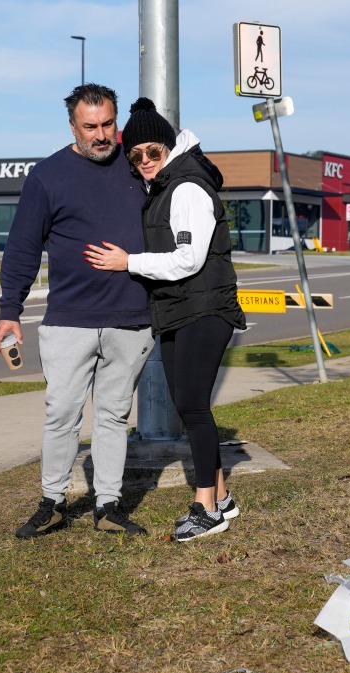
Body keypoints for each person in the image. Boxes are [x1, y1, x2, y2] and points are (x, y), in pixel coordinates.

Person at [0, 83, 153, 540]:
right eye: (90, 127)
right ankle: (54, 501)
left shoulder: (137, 164)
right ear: (72, 126)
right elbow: (22, 248)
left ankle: (108, 505)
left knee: (114, 414)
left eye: (108, 125)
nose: (101, 135)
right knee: (61, 412)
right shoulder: (47, 176)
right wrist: (10, 311)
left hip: (131, 317)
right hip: (69, 321)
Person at [84, 97, 247, 542]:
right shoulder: (166, 185)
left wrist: (128, 262)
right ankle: (223, 496)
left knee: (193, 407)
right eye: (135, 156)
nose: (144, 162)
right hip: (180, 308)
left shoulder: (188, 186)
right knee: (188, 405)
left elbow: (189, 259)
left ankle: (205, 509)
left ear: (169, 147)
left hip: (204, 307)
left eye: (152, 152)